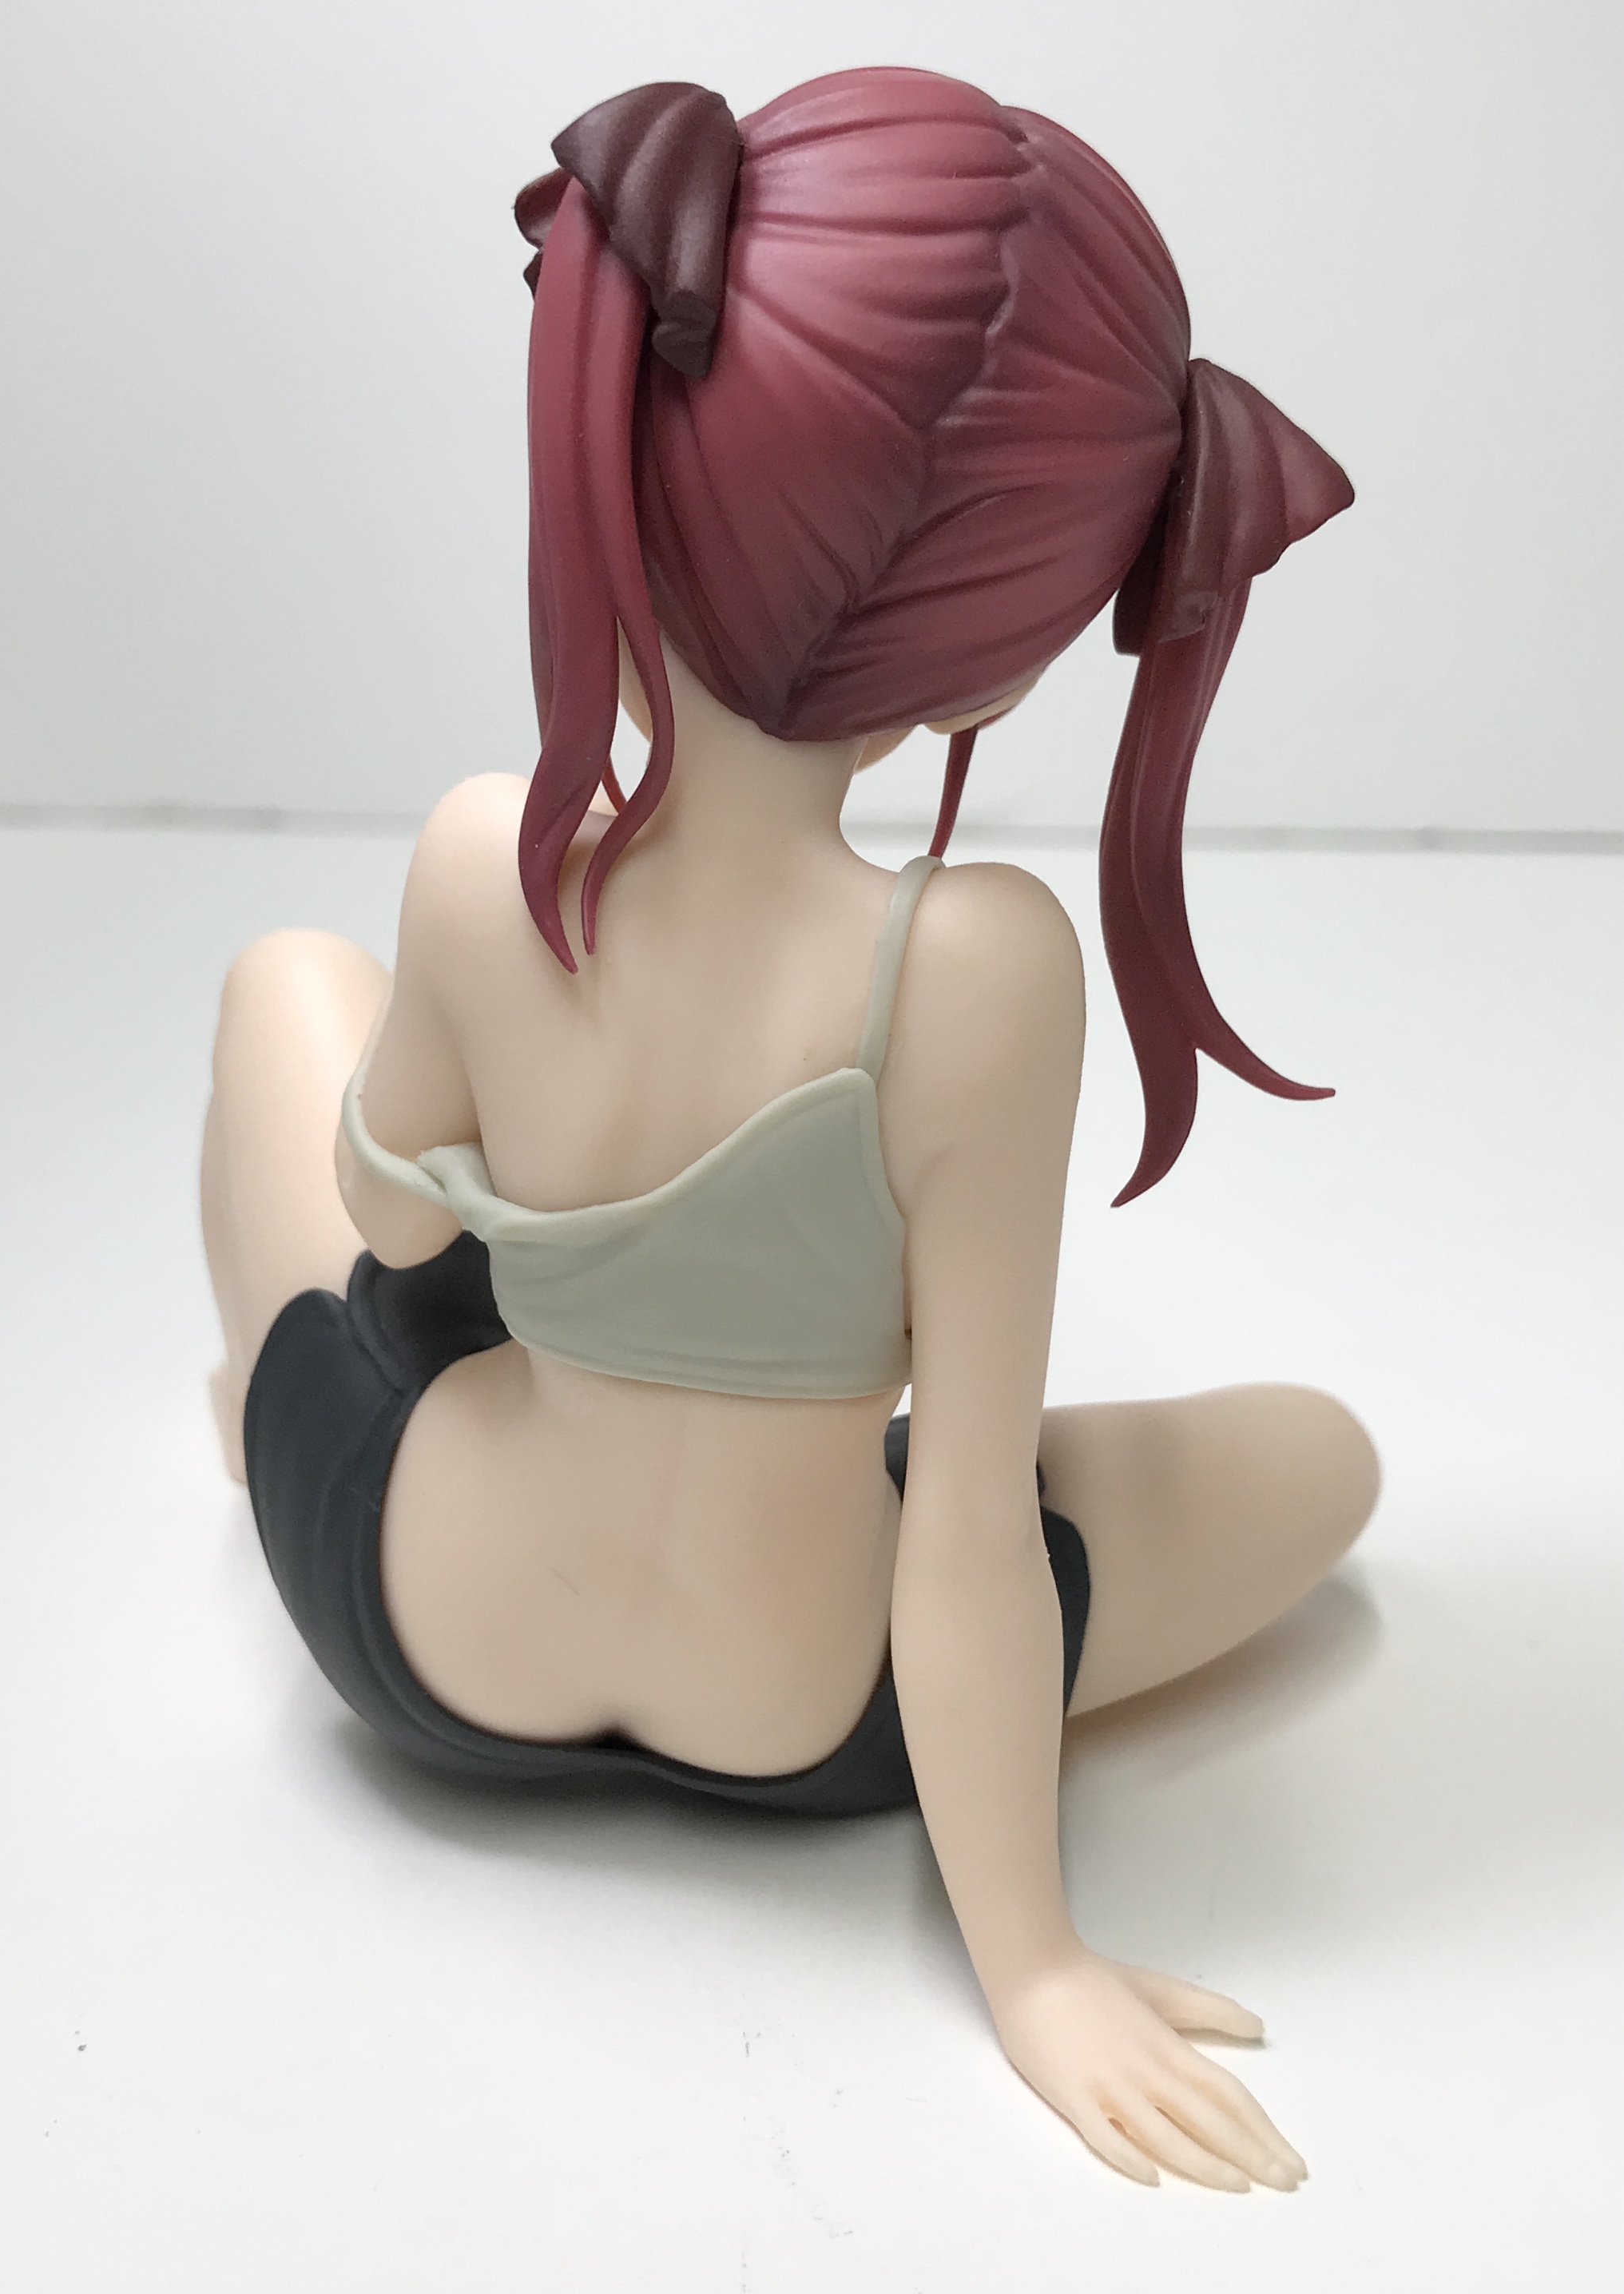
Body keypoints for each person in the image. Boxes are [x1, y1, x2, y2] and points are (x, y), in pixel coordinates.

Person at [201, 68, 1380, 2193]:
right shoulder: (984, 974)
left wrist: (501, 1142)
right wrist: (1034, 1969)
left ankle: (245, 1409)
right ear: (997, 665)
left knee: (290, 989)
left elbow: (394, 1228)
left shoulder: (485, 855)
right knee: (1324, 1461)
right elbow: (972, 1525)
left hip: (406, 1622)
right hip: (822, 1715)